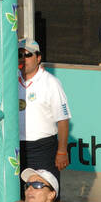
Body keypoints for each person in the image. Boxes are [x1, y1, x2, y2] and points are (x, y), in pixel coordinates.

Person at [18, 39, 71, 187]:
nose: (23, 59)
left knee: (46, 195)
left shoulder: (51, 82)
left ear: (38, 58)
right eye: (19, 55)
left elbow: (63, 120)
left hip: (43, 149)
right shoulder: (10, 80)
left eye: (28, 55)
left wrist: (61, 151)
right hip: (15, 147)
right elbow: (1, 114)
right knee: (20, 197)